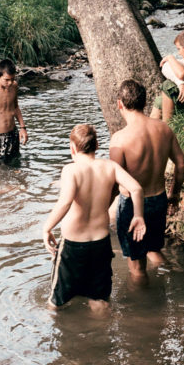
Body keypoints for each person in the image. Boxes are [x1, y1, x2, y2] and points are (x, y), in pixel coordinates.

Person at [42, 124, 145, 311]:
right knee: (99, 300)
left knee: (56, 302)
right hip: (100, 242)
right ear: (97, 145)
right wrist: (138, 216)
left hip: (73, 244)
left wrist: (47, 228)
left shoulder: (70, 170)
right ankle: (101, 336)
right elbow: (136, 188)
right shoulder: (110, 167)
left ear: (72, 148)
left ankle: (59, 334)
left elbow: (65, 202)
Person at [109, 79, 184, 283]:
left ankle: (144, 310)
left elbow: (114, 183)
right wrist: (174, 194)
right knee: (154, 249)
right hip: (159, 199)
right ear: (144, 103)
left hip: (133, 208)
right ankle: (173, 282)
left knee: (137, 266)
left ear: (120, 104)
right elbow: (182, 165)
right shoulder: (164, 129)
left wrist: (101, 209)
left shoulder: (120, 139)